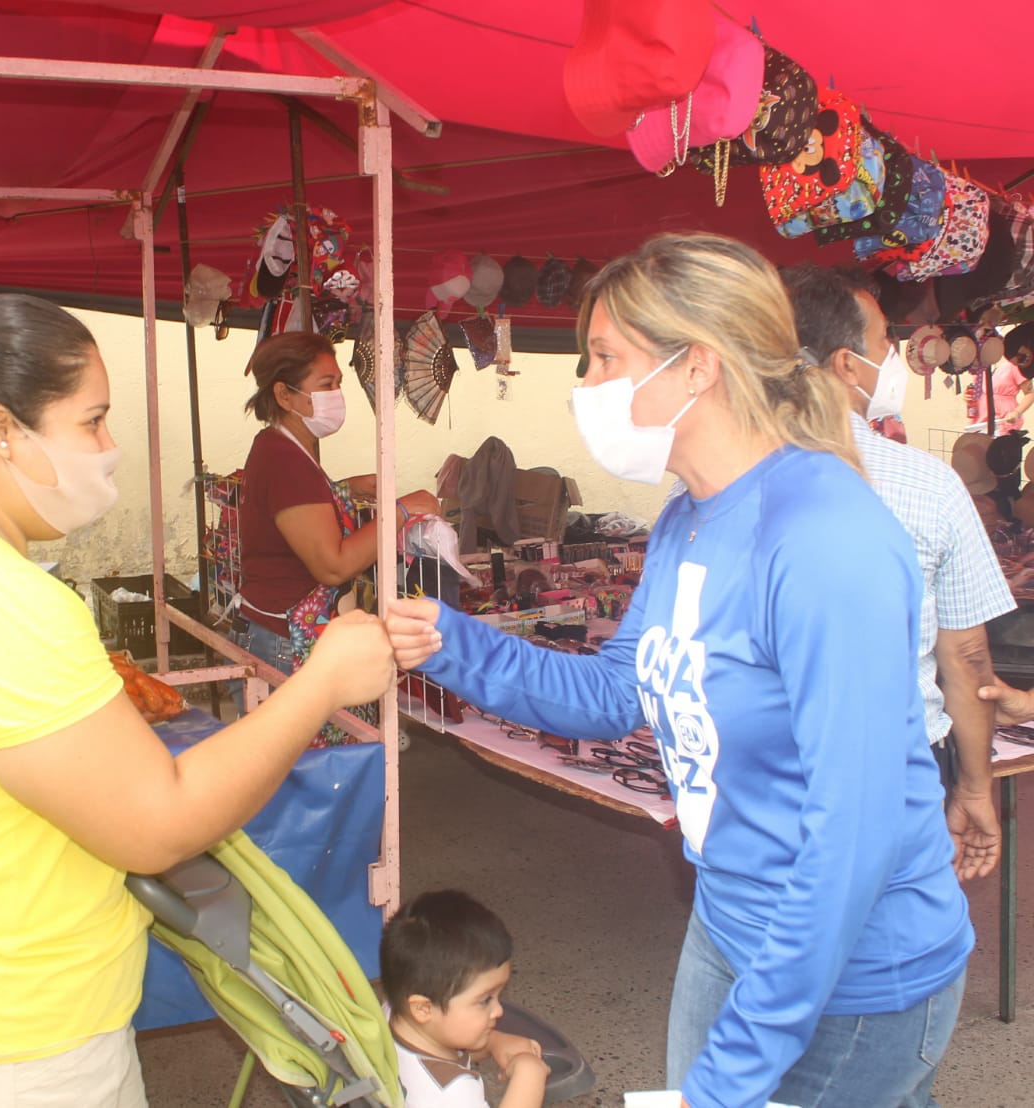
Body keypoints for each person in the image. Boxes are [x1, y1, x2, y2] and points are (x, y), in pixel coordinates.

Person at [384, 234, 973, 1108]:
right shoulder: (687, 517)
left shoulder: (824, 536)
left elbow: (853, 834)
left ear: (697, 365)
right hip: (731, 924)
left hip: (848, 975)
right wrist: (448, 641)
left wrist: (730, 1076)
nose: (585, 384)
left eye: (604, 358)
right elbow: (617, 690)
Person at [0, 294, 395, 1108]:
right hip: (7, 1048)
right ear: (0, 430)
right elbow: (158, 823)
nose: (110, 447)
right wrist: (322, 684)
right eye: (92, 421)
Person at [782, 263, 1014, 881]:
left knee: (763, 921)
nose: (892, 354)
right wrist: (974, 785)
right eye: (884, 339)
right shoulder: (927, 482)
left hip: (761, 765)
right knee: (901, 926)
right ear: (846, 364)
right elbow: (965, 655)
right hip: (898, 762)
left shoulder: (707, 479)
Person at [233, 330, 437, 742]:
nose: (337, 395)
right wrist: (400, 512)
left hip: (281, 633)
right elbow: (332, 565)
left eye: (339, 383)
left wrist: (343, 489)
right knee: (309, 769)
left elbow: (294, 511)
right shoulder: (284, 458)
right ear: (284, 395)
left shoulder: (284, 447)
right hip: (287, 644)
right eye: (326, 385)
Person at [380, 889, 548, 1108]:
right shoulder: (451, 1094)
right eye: (485, 1000)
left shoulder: (391, 1014)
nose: (498, 1010)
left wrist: (493, 1042)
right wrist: (530, 1075)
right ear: (423, 1009)